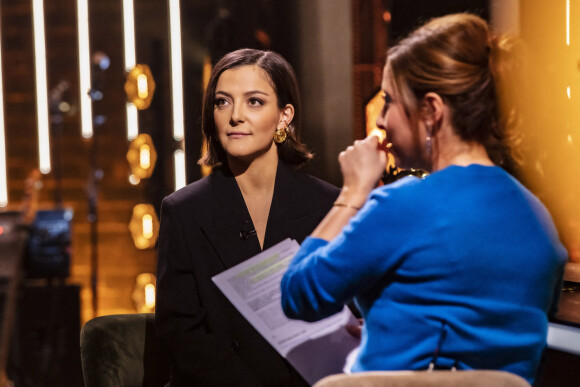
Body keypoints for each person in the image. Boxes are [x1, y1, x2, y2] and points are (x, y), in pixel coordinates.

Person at [281, 13, 567, 385]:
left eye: (389, 101)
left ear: (431, 111)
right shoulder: (538, 217)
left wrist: (353, 192)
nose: (380, 120)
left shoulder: (403, 204)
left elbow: (299, 294)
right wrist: (396, 323)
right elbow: (476, 316)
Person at [155, 48, 339, 386]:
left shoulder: (330, 205)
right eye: (222, 102)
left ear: (284, 117)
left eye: (254, 101)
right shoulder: (183, 211)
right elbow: (180, 329)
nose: (235, 115)